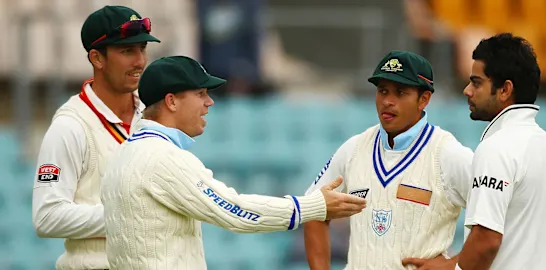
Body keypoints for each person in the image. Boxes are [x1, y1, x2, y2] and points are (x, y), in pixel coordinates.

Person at [100, 55, 367, 270]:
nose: (209, 102)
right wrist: (314, 206)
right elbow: (234, 212)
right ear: (171, 101)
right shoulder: (162, 158)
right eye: (201, 93)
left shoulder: (124, 154)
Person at [403, 33, 546, 270]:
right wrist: (450, 265)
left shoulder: (497, 147)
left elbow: (487, 242)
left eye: (476, 82)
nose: (467, 90)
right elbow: (514, 242)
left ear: (505, 90)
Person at [303, 50, 474, 270]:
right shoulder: (353, 149)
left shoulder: (448, 154)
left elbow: (498, 220)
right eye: (382, 91)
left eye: (400, 92)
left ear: (424, 99)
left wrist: (454, 264)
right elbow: (312, 210)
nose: (387, 101)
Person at [31, 5, 160, 270]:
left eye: (142, 49)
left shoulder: (153, 116)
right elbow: (47, 217)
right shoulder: (70, 126)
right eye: (127, 51)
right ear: (97, 58)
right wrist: (128, 216)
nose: (140, 61)